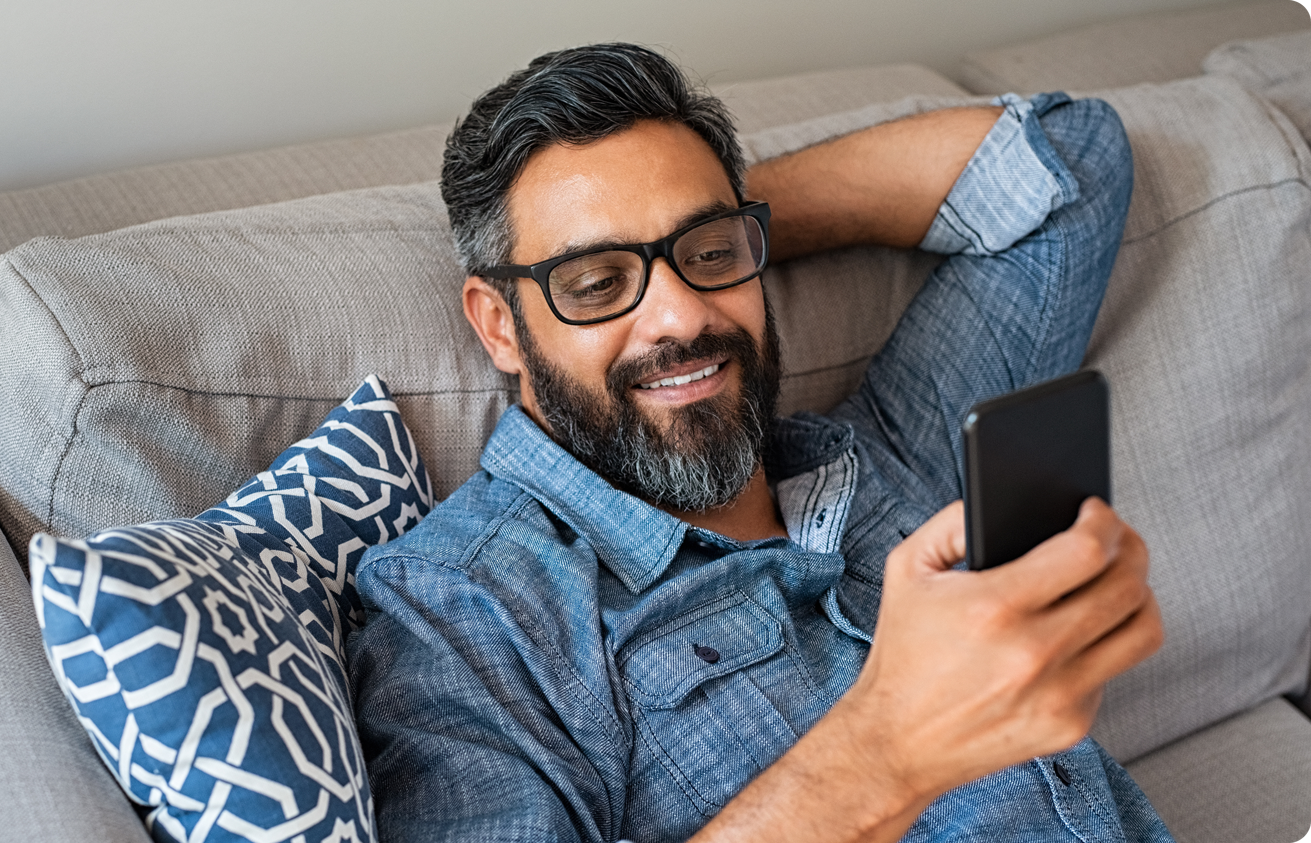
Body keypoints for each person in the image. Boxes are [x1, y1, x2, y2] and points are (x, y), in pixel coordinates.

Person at [347, 42, 1170, 843]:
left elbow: (1073, 163)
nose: (682, 317)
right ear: (500, 325)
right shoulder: (460, 609)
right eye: (598, 282)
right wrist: (887, 747)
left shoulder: (889, 450)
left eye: (711, 255)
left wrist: (715, 225)